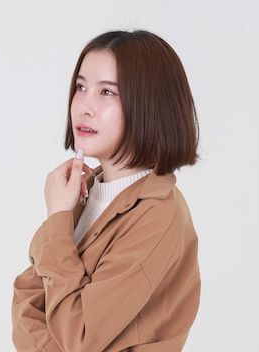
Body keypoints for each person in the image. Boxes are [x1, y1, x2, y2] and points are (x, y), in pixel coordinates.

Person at [11, 29, 201, 351]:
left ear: (150, 104)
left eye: (108, 92)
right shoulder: (83, 192)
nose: (84, 106)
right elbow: (24, 303)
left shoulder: (158, 214)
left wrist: (57, 220)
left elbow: (80, 336)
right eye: (81, 87)